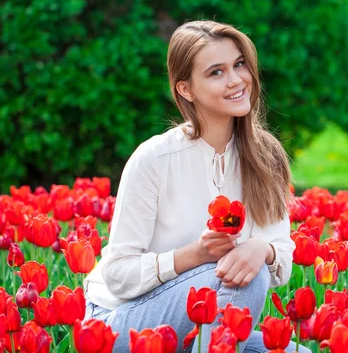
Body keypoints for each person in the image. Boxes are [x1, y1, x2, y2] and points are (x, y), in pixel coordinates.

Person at [84, 20, 309, 353]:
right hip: (122, 322)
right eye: (216, 72)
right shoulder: (155, 158)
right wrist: (194, 255)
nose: (236, 81)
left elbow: (282, 255)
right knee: (245, 275)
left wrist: (264, 249)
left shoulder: (265, 156)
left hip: (206, 317)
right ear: (185, 89)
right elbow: (118, 273)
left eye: (239, 64)